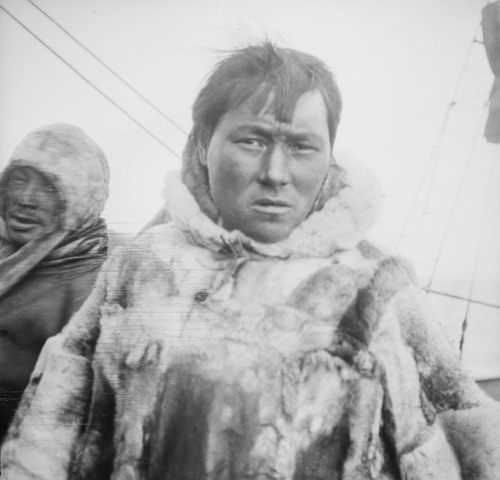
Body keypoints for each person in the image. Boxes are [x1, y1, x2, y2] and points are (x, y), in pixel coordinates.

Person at [2, 44, 500, 479]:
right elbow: (49, 430)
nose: (275, 173)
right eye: (252, 140)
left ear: (329, 154)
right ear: (202, 144)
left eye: (302, 146)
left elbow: (462, 432)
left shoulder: (374, 284)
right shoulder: (139, 267)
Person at [0, 123, 109, 443]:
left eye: (49, 187)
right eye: (18, 181)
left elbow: (69, 422)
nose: (25, 199)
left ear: (80, 198)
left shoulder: (92, 287)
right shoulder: (7, 252)